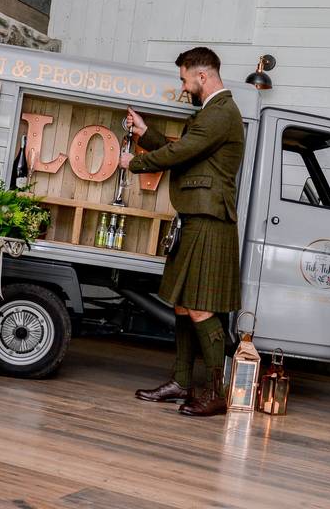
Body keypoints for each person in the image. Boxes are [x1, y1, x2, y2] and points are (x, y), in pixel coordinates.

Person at [120, 47, 245, 417]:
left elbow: (182, 152)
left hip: (210, 221)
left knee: (202, 308)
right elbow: (189, 153)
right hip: (196, 218)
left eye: (184, 78)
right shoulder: (212, 114)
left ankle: (217, 393)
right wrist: (146, 133)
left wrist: (134, 162)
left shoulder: (223, 112)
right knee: (183, 305)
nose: (184, 85)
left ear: (201, 76)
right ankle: (181, 381)